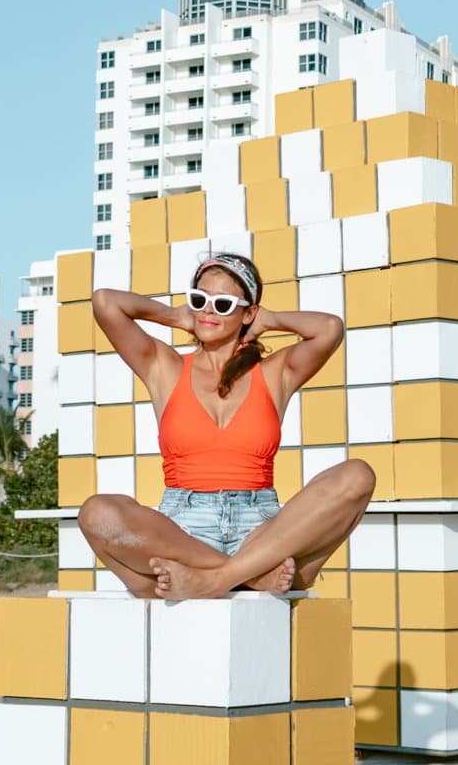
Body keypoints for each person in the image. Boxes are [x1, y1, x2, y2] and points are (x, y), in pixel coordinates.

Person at [78, 251, 375, 600]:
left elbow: (329, 328)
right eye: (200, 300)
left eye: (223, 304)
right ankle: (249, 577)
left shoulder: (275, 372)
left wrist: (270, 319)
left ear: (248, 312)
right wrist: (177, 316)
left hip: (264, 533)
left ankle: (218, 579)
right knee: (96, 513)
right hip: (183, 532)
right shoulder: (165, 366)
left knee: (358, 475)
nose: (208, 310)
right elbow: (105, 303)